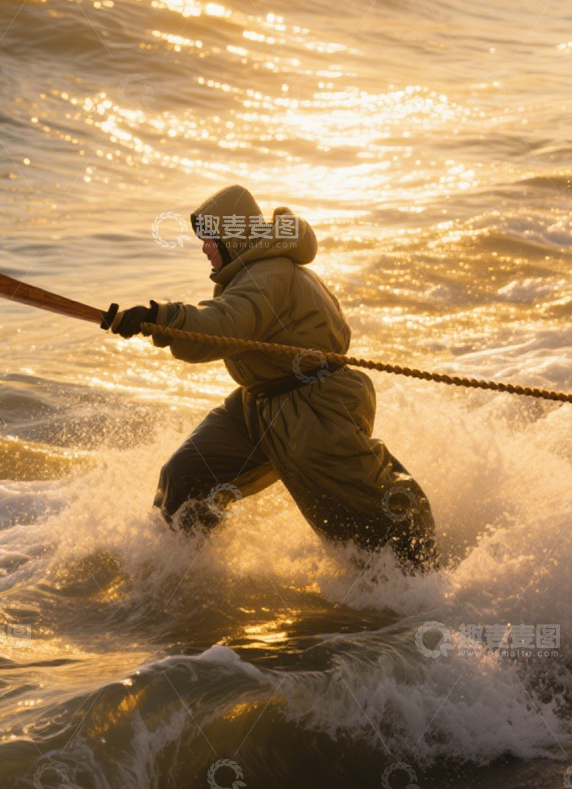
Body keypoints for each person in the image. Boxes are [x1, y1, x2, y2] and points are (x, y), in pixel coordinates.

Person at [111, 185, 438, 570]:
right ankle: (179, 574)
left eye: (209, 239)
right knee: (186, 475)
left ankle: (421, 583)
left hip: (315, 407)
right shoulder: (251, 271)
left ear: (232, 237)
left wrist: (159, 317)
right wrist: (155, 321)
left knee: (367, 514)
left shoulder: (269, 273)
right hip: (259, 402)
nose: (204, 248)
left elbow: (224, 324)